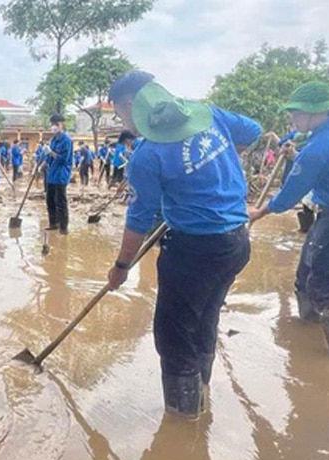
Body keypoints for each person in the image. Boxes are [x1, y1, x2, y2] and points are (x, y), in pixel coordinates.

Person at [106, 70, 260, 419]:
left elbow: (140, 219)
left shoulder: (147, 156)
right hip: (236, 241)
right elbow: (251, 130)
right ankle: (200, 400)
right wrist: (215, 169)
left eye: (120, 115)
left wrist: (120, 268)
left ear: (132, 105)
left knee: (173, 336)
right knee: (204, 322)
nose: (124, 122)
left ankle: (182, 422)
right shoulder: (209, 114)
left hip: (194, 251)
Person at [249, 81, 329, 359]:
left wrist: (259, 212)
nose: (292, 119)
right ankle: (308, 328)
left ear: (315, 113)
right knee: (306, 277)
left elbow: (287, 197)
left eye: (296, 114)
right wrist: (297, 156)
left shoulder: (318, 148)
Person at [45, 113, 74, 234]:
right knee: (50, 199)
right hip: (51, 174)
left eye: (56, 124)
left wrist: (51, 153)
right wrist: (45, 162)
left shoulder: (66, 140)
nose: (54, 127)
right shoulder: (53, 140)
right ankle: (53, 223)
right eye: (52, 124)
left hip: (61, 174)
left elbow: (64, 159)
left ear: (62, 125)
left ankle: (63, 227)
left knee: (60, 201)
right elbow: (50, 158)